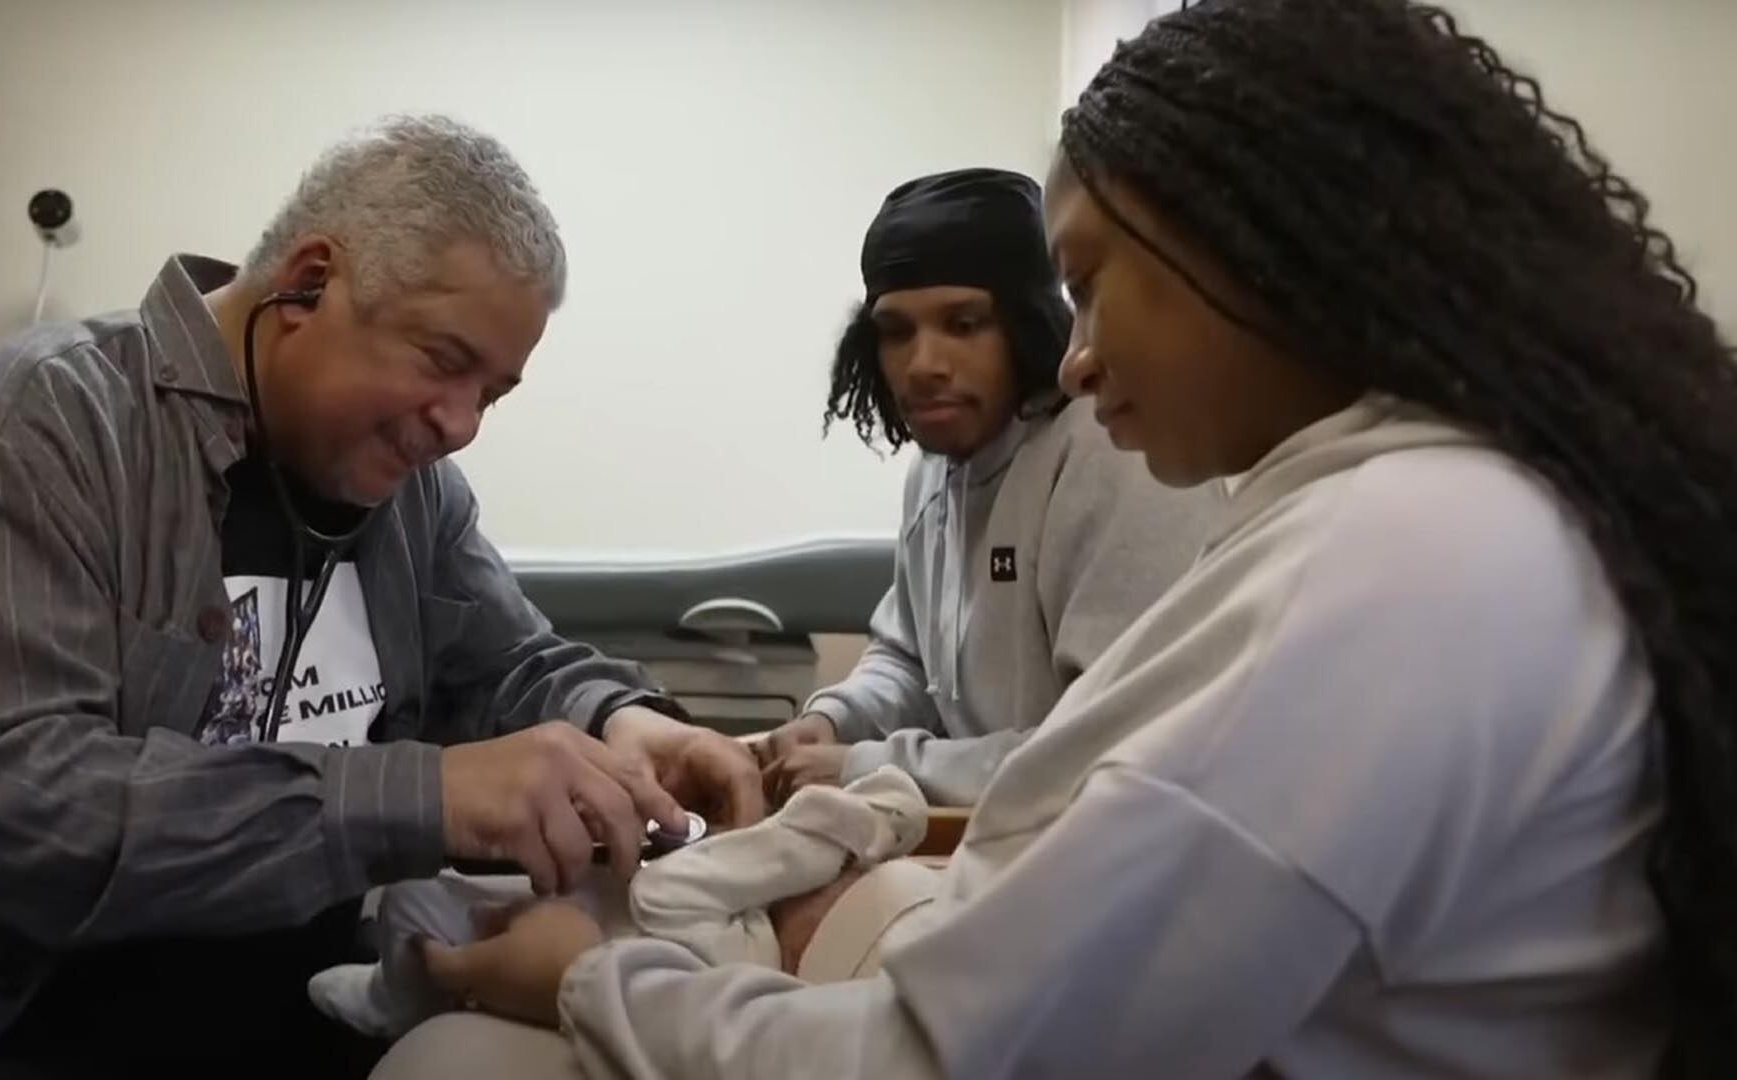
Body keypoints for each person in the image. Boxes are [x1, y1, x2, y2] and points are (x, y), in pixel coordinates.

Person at [370, 1, 1737, 1076]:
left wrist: (587, 979)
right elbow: (941, 689)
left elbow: (959, 1057)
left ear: (1251, 241)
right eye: (895, 328)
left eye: (1086, 288)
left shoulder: (1390, 561)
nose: (1082, 361)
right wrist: (830, 737)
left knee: (452, 1051)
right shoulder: (1430, 513)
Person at [0, 115, 761, 1080]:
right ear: (307, 282)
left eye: (497, 393)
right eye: (444, 361)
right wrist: (423, 796)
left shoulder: (410, 488)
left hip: (302, 1015)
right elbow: (18, 813)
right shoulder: (22, 439)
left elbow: (506, 663)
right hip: (4, 1037)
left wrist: (622, 719)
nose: (463, 425)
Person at [756, 168, 1215, 807]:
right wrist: (832, 721)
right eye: (896, 332)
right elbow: (909, 659)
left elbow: (1106, 748)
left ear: (1027, 322)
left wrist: (868, 765)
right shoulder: (936, 468)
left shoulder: (1112, 455)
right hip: (978, 834)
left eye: (964, 324)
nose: (924, 365)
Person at [309, 766, 938, 1039]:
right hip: (605, 905)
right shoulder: (898, 877)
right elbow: (902, 800)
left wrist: (793, 847)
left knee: (415, 902)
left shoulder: (734, 952)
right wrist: (853, 837)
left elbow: (663, 892)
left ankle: (397, 1001)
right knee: (423, 890)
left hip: (593, 939)